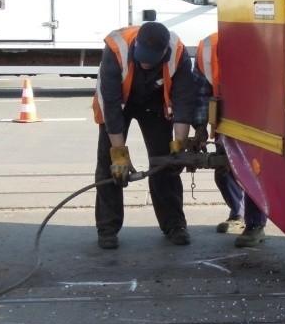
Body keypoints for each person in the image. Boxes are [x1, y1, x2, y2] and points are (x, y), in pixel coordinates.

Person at [93, 21, 195, 249]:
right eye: (142, 57)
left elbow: (183, 102)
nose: (146, 62)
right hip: (119, 102)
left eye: (152, 58)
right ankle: (107, 229)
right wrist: (120, 154)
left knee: (165, 161)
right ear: (136, 45)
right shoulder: (116, 49)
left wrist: (179, 146)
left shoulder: (177, 52)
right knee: (109, 163)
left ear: (164, 52)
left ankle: (174, 224)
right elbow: (110, 106)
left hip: (155, 103)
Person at [192, 32, 267, 248]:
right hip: (227, 115)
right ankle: (239, 213)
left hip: (256, 115)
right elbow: (200, 93)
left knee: (253, 172)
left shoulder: (259, 45)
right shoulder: (207, 48)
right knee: (224, 172)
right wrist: (199, 128)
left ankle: (255, 224)